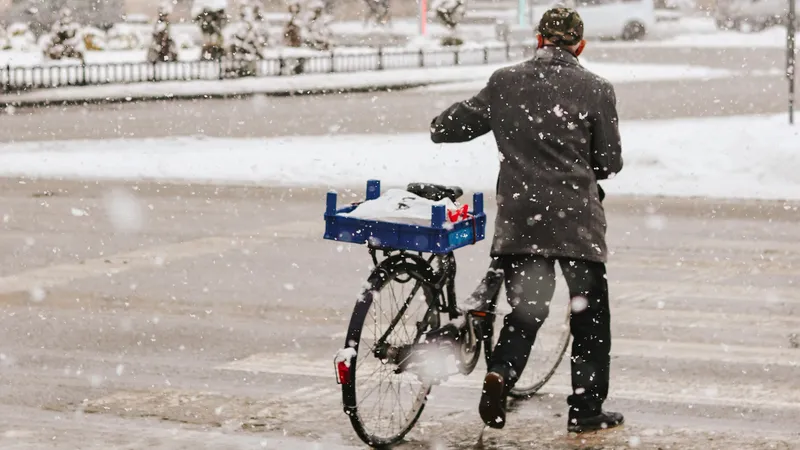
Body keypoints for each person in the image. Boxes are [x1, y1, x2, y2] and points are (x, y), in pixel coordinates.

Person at [429, 7, 624, 434]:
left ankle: (501, 372)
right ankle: (586, 410)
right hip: (577, 221)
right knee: (590, 318)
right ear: (580, 45)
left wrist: (441, 123)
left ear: (538, 40)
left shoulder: (505, 81)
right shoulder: (596, 88)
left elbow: (448, 128)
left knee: (526, 310)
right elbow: (610, 163)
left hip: (522, 218)